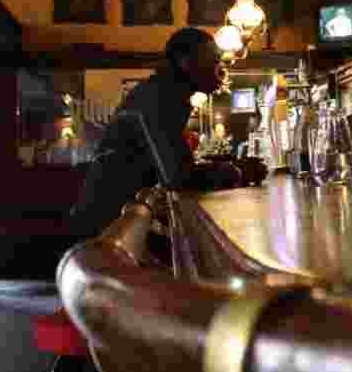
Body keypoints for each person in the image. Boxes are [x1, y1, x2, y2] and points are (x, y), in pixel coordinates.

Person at [69, 28, 238, 235]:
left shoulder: (164, 95)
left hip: (120, 221)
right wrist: (233, 171)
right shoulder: (157, 99)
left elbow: (176, 169)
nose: (219, 69)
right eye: (212, 61)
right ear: (185, 63)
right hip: (102, 233)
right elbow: (176, 177)